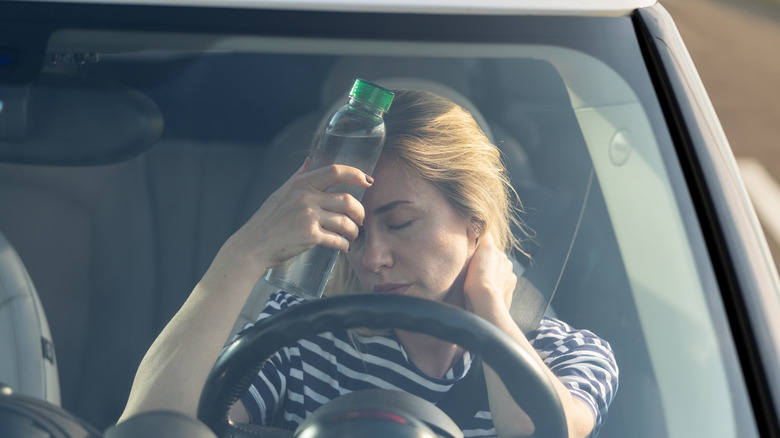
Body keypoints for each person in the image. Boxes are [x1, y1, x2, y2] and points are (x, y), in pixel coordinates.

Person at [118, 89, 618, 438]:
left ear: (474, 222)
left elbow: (536, 430)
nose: (372, 258)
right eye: (352, 235)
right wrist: (244, 253)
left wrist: (488, 305)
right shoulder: (299, 336)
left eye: (400, 223)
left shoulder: (565, 353)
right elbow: (154, 426)